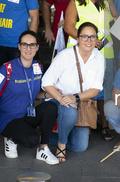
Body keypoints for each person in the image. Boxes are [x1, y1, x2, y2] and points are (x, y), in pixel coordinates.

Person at [0, 30, 59, 165]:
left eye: (32, 45)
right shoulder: (7, 68)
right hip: (8, 120)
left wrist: (52, 94)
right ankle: (10, 138)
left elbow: (33, 93)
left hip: (27, 115)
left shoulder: (38, 67)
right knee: (31, 140)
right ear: (19, 46)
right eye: (24, 44)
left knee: (51, 106)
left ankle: (43, 149)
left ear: (37, 47)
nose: (28, 48)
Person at [64, 0, 118, 142]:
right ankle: (83, 123)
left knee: (103, 91)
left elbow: (116, 19)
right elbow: (69, 26)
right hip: (83, 53)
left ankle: (104, 126)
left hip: (105, 51)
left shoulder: (106, 0)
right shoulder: (75, 1)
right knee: (83, 88)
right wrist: (88, 41)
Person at [42, 22, 105, 162]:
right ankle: (61, 144)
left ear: (96, 39)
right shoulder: (65, 56)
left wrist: (75, 97)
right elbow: (46, 82)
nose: (89, 41)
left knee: (80, 146)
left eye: (92, 37)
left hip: (80, 100)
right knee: (69, 110)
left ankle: (45, 136)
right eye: (84, 37)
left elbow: (96, 88)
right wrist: (62, 98)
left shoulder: (99, 57)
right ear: (77, 38)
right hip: (58, 99)